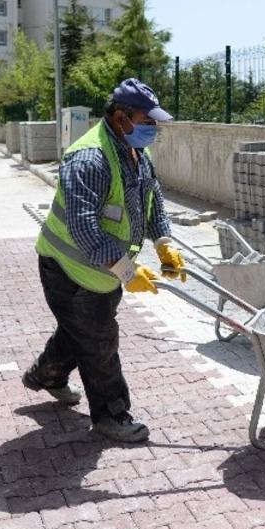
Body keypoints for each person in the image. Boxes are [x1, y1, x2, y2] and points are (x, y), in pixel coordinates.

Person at [24, 77, 185, 443]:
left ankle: (45, 375)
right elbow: (83, 228)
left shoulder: (133, 151)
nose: (152, 129)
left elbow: (152, 195)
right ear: (120, 117)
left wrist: (163, 242)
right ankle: (112, 415)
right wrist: (127, 270)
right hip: (67, 268)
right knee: (99, 339)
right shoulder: (89, 158)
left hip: (101, 271)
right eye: (147, 121)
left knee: (80, 329)